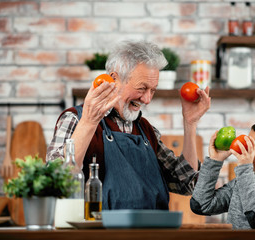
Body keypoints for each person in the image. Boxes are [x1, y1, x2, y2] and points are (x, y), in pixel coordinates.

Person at [47, 40, 211, 210]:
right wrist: (89, 121)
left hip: (153, 234)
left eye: (152, 90)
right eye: (142, 88)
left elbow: (186, 182)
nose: (147, 99)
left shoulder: (146, 130)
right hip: (101, 234)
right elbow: (57, 182)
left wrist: (190, 124)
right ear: (114, 79)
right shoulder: (75, 119)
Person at [190, 120, 255, 229]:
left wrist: (245, 168)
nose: (243, 148)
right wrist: (215, 161)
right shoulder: (242, 182)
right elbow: (201, 205)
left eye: (252, 146)